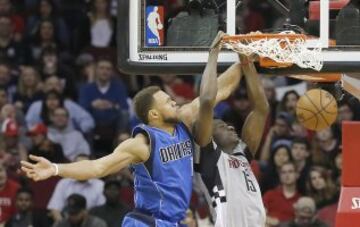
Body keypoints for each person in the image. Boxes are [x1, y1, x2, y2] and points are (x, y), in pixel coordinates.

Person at [21, 32, 243, 226]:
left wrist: (245, 60)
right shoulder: (142, 144)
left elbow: (219, 91)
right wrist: (56, 169)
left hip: (173, 222)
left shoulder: (183, 120)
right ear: (154, 114)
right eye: (168, 102)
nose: (175, 102)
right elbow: (98, 167)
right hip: (146, 222)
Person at [196, 54, 269, 227]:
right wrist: (213, 54)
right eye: (222, 126)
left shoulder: (241, 154)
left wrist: (247, 61)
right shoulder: (210, 160)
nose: (230, 127)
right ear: (210, 136)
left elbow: (261, 109)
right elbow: (206, 101)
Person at [263, 162, 301, 227]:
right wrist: (270, 220)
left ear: (297, 174)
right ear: (280, 176)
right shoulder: (270, 194)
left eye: (290, 171)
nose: (287, 175)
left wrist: (279, 223)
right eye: (283, 172)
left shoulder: (300, 200)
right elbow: (259, 214)